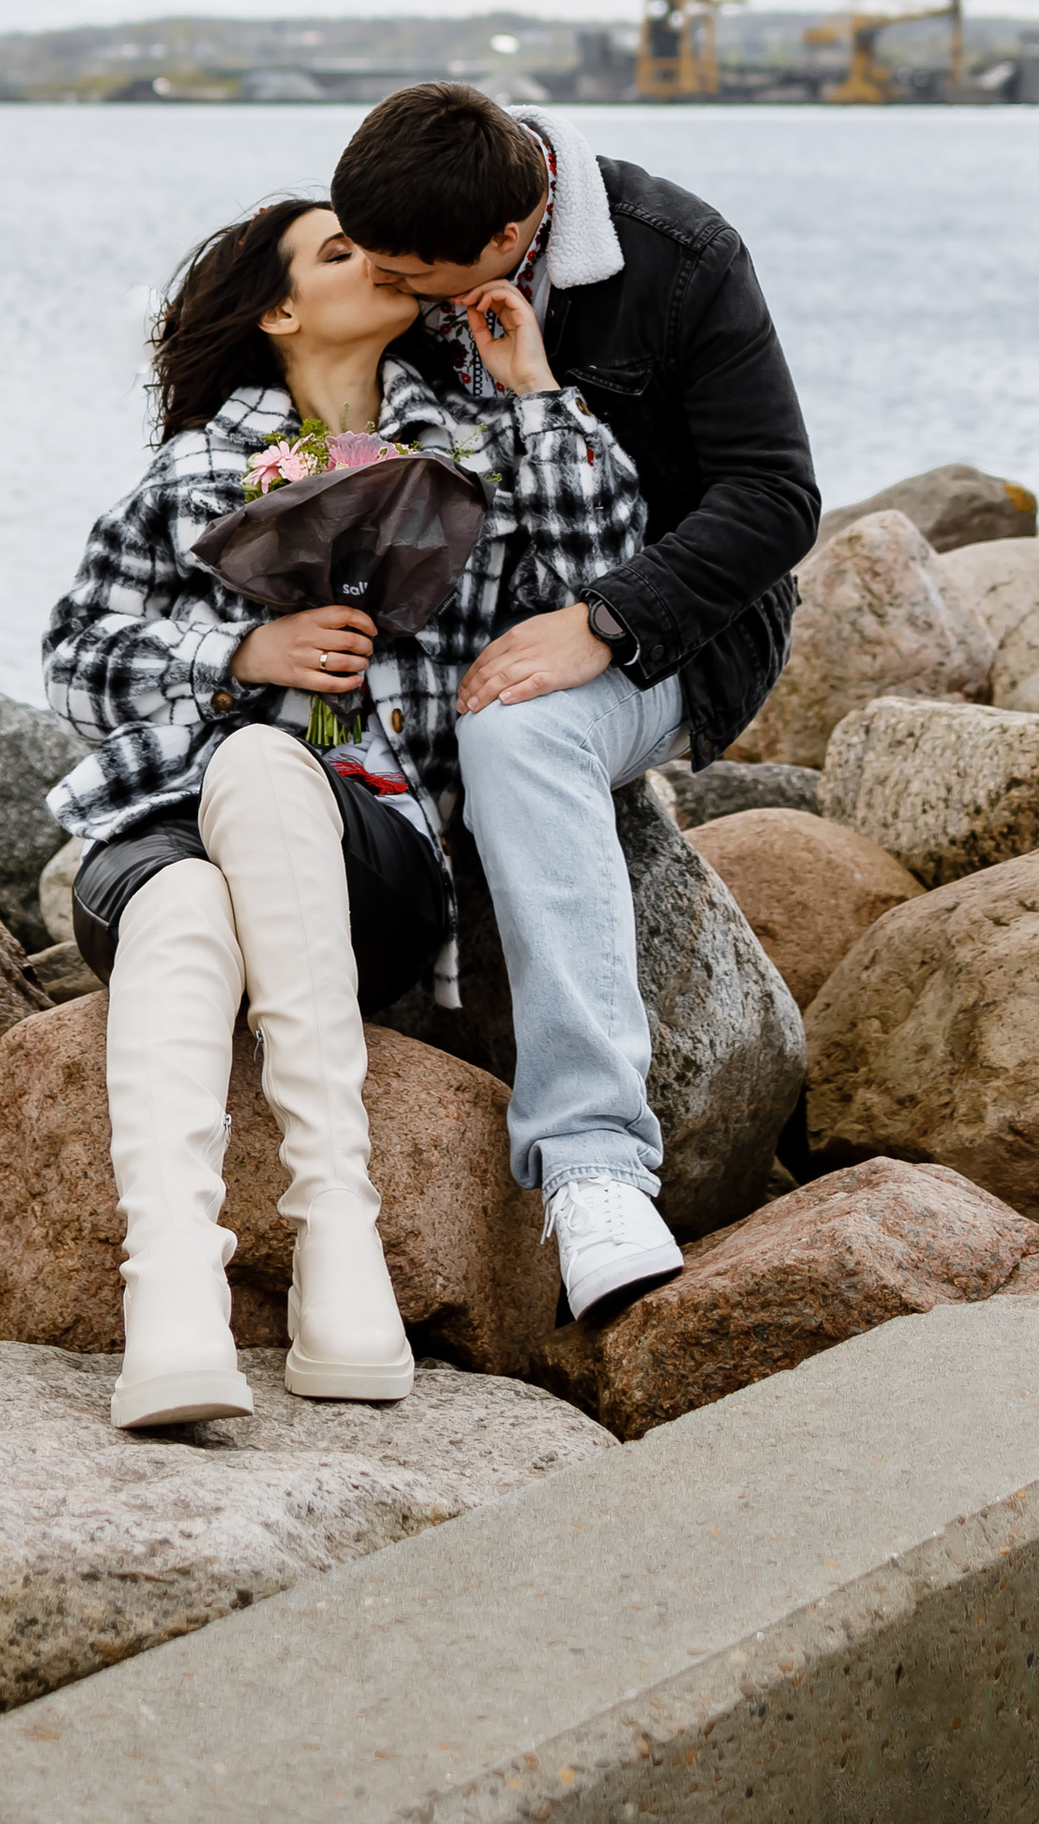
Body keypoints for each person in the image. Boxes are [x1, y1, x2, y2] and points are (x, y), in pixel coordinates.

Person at [43, 193, 647, 1433]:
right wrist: (243, 649)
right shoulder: (195, 467)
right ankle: (207, 1314)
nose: (375, 261)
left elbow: (600, 582)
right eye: (337, 253)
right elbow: (70, 658)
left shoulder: (472, 447)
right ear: (278, 311)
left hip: (372, 861)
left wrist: (530, 384)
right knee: (185, 885)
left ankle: (303, 1254)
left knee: (266, 783)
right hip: (163, 829)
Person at [328, 82, 818, 1325]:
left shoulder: (681, 257)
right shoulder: (414, 208)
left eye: (411, 278)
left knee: (515, 725)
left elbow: (773, 502)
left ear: (512, 234)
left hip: (674, 634)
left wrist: (605, 621)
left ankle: (595, 1167)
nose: (386, 291)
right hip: (438, 625)